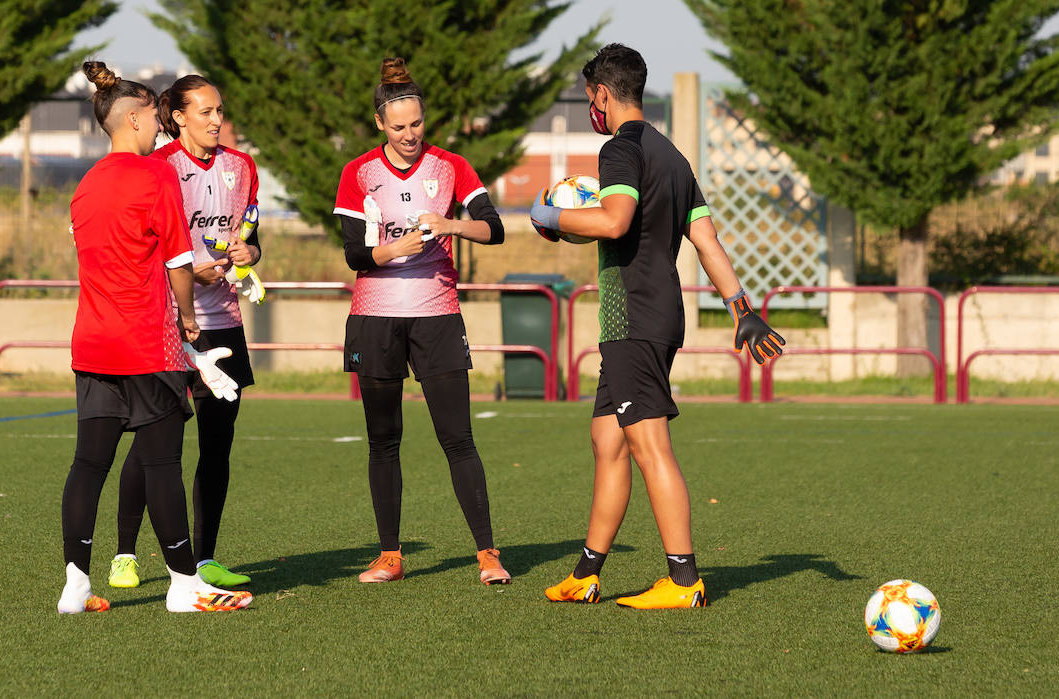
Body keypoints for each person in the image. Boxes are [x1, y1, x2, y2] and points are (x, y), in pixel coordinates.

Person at [530, 43, 785, 609]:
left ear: (602, 93)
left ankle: (684, 578)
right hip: (658, 313)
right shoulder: (672, 155)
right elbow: (706, 241)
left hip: (635, 317)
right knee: (608, 442)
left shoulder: (621, 151)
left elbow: (615, 221)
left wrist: (549, 217)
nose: (590, 108)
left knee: (649, 446)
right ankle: (588, 572)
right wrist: (742, 310)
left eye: (590, 97)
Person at [59, 61, 251, 613]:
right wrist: (189, 320)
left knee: (87, 464)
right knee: (163, 463)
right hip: (148, 343)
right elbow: (178, 259)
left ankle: (76, 585)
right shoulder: (155, 175)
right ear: (138, 118)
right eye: (154, 118)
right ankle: (184, 585)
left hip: (92, 344)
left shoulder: (86, 183)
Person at [332, 58, 510, 585]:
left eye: (417, 124)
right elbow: (354, 255)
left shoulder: (451, 166)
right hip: (376, 318)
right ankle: (390, 555)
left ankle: (488, 554)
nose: (410, 135)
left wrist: (450, 222)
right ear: (380, 125)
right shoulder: (358, 172)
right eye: (399, 127)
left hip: (436, 315)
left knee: (458, 438)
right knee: (383, 440)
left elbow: (494, 229)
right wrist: (395, 248)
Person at [107, 74, 263, 590]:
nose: (217, 120)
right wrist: (185, 270)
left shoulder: (242, 167)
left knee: (218, 444)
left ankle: (205, 558)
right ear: (177, 116)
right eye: (206, 111)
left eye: (220, 111)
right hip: (169, 327)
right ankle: (125, 552)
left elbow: (251, 235)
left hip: (226, 324)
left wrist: (248, 255)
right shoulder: (157, 166)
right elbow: (140, 246)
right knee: (152, 443)